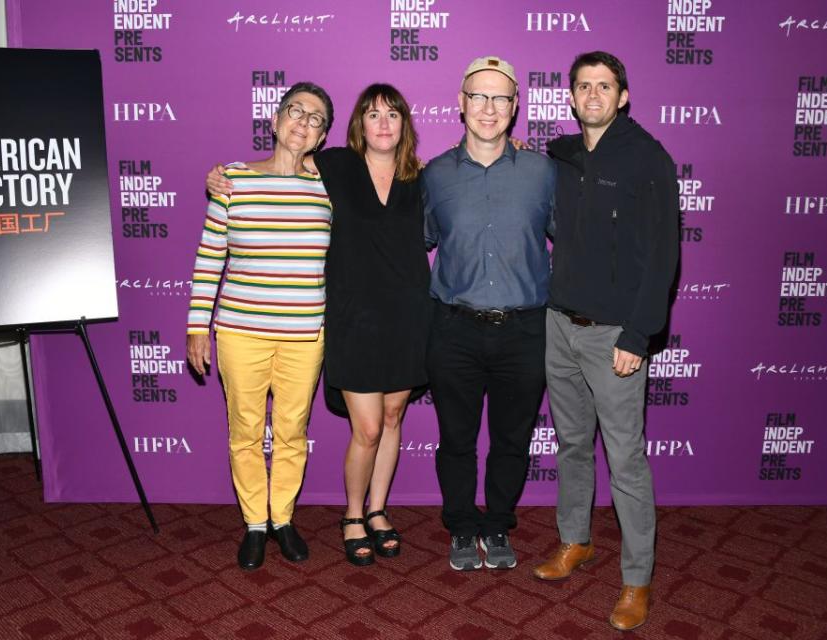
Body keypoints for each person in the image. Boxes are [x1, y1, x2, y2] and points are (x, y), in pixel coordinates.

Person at [207, 84, 432, 566]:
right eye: (373, 115)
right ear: (356, 127)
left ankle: (375, 510)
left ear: (405, 124)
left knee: (391, 419)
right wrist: (221, 177)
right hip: (351, 320)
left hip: (406, 318)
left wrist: (510, 148)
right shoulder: (333, 167)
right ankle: (348, 515)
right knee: (366, 428)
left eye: (393, 114)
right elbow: (283, 162)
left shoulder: (423, 176)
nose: (384, 123)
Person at [532, 51, 679, 631]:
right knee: (571, 444)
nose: (593, 95)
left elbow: (664, 256)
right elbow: (549, 157)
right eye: (583, 86)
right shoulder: (565, 153)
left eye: (605, 86)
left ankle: (637, 578)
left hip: (615, 335)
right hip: (559, 325)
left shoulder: (648, 158)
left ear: (623, 96)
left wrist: (639, 333)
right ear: (571, 97)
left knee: (625, 459)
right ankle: (576, 541)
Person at [186, 82, 334, 571]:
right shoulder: (232, 180)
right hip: (240, 332)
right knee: (245, 430)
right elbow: (210, 257)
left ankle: (282, 518)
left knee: (292, 431)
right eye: (296, 111)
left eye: (316, 119)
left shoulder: (329, 186)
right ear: (274, 120)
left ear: (323, 136)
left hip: (304, 335)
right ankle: (254, 523)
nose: (303, 123)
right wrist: (196, 327)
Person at [421, 56, 555, 571]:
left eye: (501, 97)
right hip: (453, 329)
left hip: (525, 330)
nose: (489, 107)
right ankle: (460, 525)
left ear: (515, 106)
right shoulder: (434, 175)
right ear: (461, 103)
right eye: (478, 96)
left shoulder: (544, 172)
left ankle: (498, 522)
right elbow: (416, 239)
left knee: (511, 439)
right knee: (455, 439)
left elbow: (575, 235)